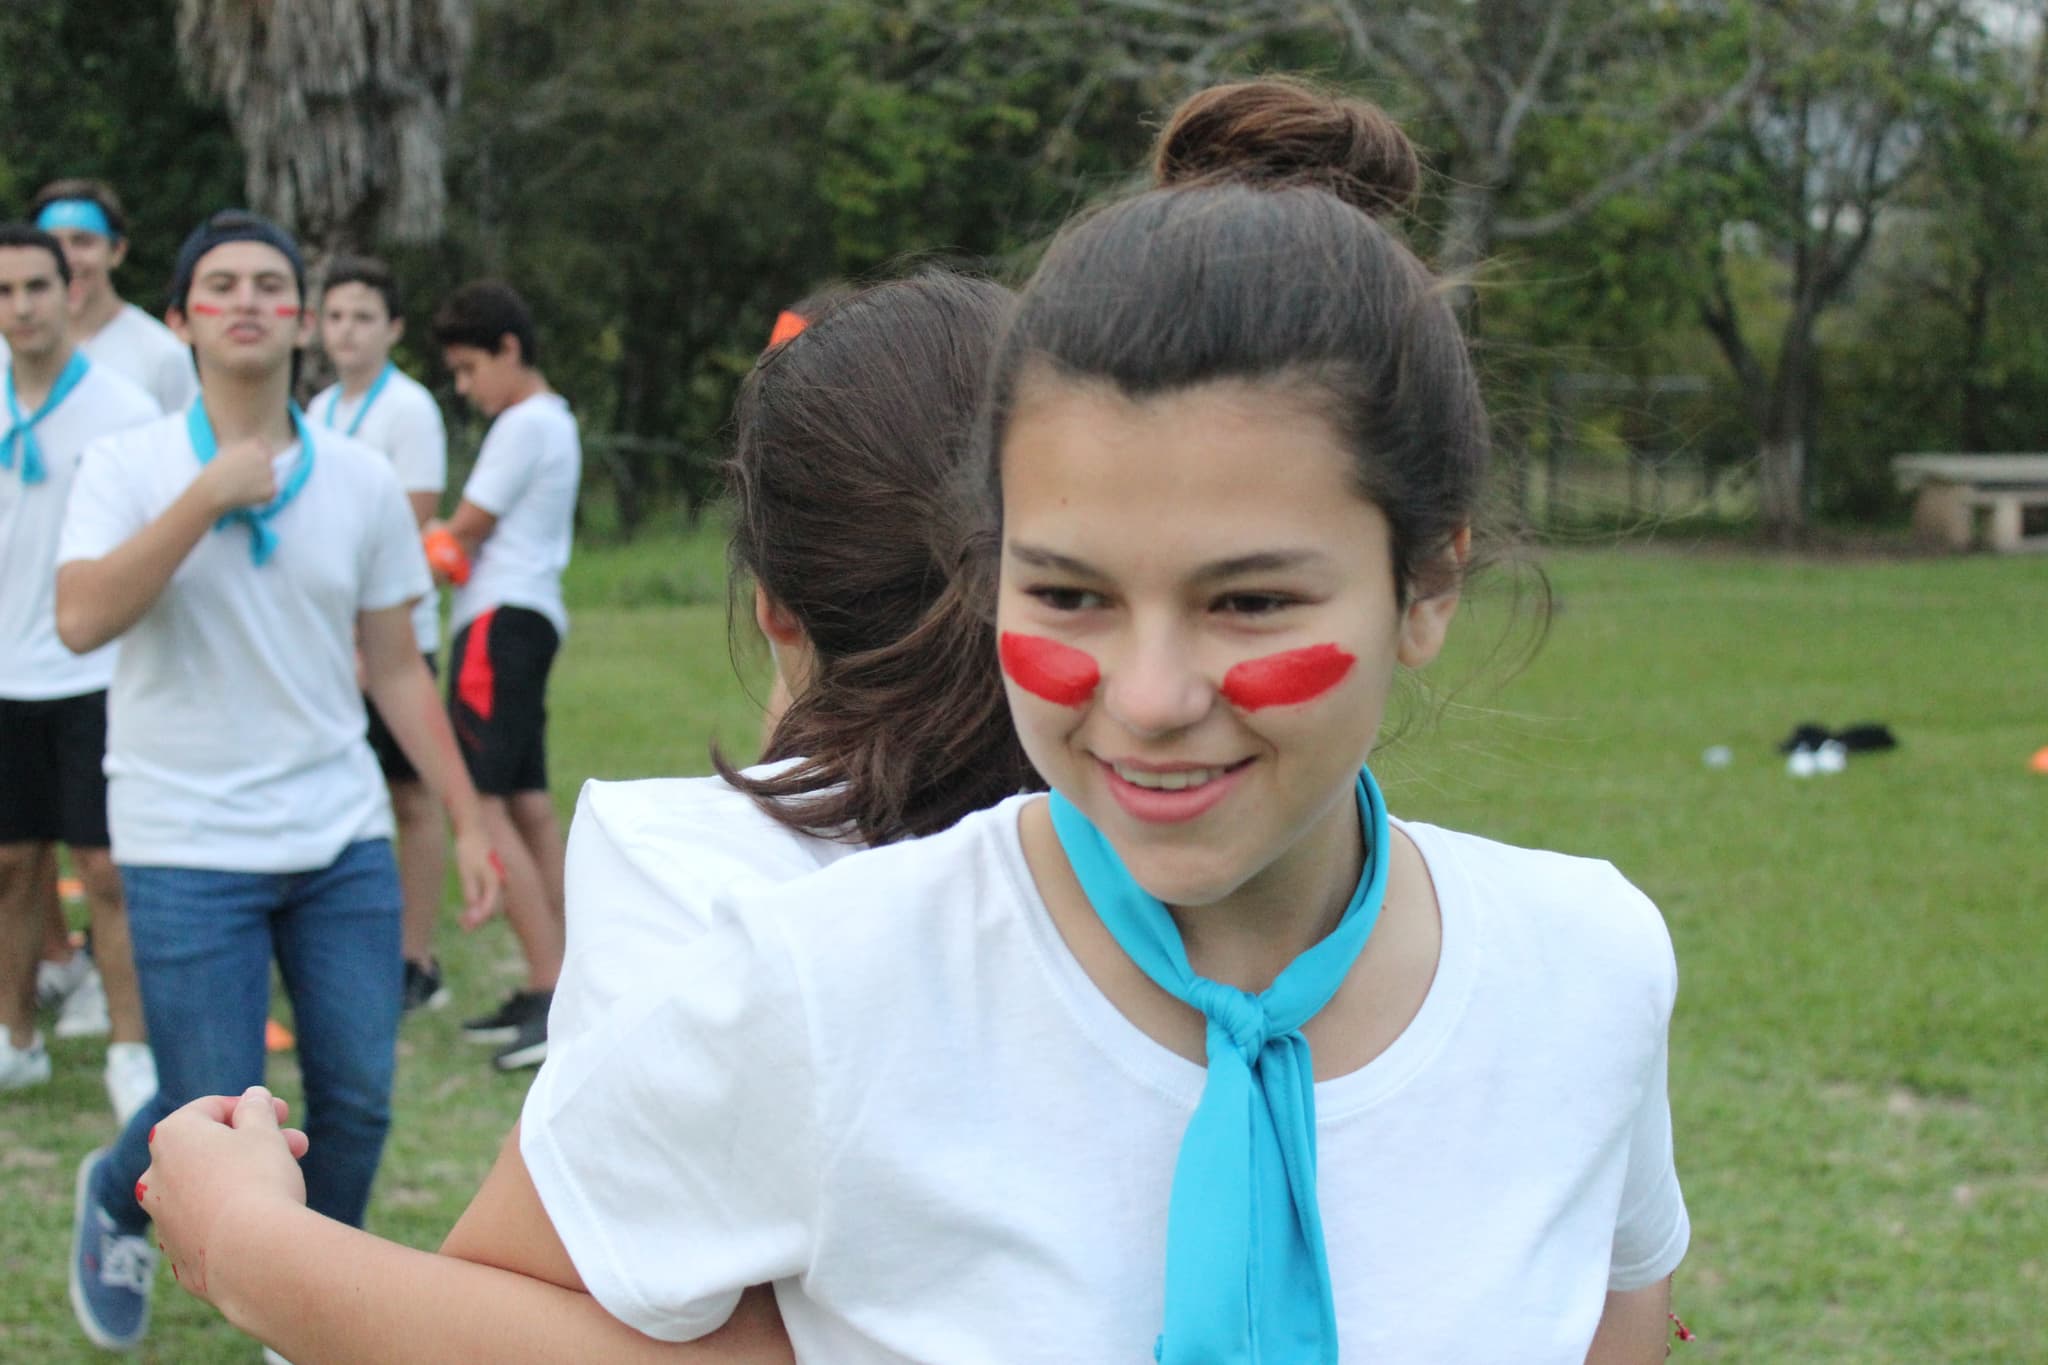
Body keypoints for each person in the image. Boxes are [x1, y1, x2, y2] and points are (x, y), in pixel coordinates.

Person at [151, 79, 1689, 1363]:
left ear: (1428, 582)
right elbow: (508, 1308)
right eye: (1071, 593)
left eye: (1250, 603)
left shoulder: (1586, 969)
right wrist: (248, 1247)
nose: (1148, 701)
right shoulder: (827, 983)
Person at [140, 270, 1032, 1363]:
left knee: (513, 797)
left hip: (502, 624)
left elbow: (514, 1313)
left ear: (771, 601)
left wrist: (243, 1240)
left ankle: (534, 972)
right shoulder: (1206, 868)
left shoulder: (728, 907)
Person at [53, 209, 499, 1354]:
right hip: (184, 838)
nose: (247, 300)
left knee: (353, 1097)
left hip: (337, 834)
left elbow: (396, 666)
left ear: (300, 318)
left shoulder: (356, 477)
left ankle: (302, 1305)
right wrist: (205, 497)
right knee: (206, 1112)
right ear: (180, 318)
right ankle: (116, 1198)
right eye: (220, 285)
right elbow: (81, 616)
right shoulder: (130, 464)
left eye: (269, 284)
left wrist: (464, 813)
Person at [22, 179, 198, 1043]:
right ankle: (48, 976)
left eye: (84, 242)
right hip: (20, 644)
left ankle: (118, 1003)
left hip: (106, 642)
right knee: (20, 849)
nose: (71, 258)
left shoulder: (148, 363)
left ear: (111, 253)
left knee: (105, 852)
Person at [0, 224, 161, 1121]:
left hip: (95, 673)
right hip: (4, 676)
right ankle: (14, 1037)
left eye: (35, 286)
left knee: (105, 869)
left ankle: (130, 1046)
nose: (20, 306)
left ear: (71, 291)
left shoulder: (123, 409)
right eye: (4, 290)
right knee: (11, 862)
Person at [428, 281, 581, 1071]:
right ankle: (561, 983)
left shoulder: (522, 425)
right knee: (524, 803)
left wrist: (404, 548)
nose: (464, 388)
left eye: (466, 369)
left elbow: (463, 533)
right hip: (529, 617)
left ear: (509, 351)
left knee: (482, 802)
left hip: (497, 623)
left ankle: (554, 988)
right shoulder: (554, 422)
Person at [311, 255, 453, 1014]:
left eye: (363, 317)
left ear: (393, 327)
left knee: (410, 797)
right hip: (328, 638)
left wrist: (375, 644)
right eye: (334, 316)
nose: (347, 331)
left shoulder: (410, 408)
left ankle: (415, 957)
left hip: (393, 634)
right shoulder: (319, 409)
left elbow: (413, 522)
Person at [29, 179, 198, 414]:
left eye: (82, 241)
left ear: (117, 251)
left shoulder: (162, 355)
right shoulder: (11, 347)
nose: (67, 258)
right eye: (52, 243)